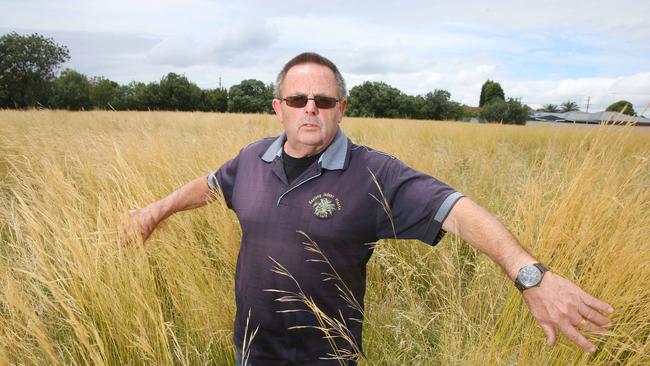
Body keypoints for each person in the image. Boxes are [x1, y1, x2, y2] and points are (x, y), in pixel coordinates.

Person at [124, 52, 613, 365]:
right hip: (250, 351)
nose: (310, 107)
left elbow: (456, 210)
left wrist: (529, 274)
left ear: (342, 108)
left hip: (328, 358)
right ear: (279, 107)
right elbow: (210, 185)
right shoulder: (254, 158)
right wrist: (156, 210)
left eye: (323, 99)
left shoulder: (374, 172)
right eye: (298, 98)